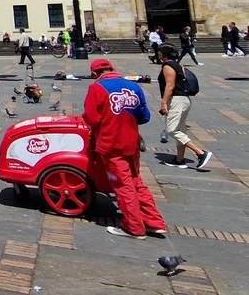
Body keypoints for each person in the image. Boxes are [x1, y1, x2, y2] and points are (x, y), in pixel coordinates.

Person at [82, 58, 166, 239]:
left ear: (94, 74)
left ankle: (133, 227)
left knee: (122, 185)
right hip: (132, 142)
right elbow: (144, 117)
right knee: (136, 181)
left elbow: (92, 118)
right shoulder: (134, 87)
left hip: (110, 143)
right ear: (113, 69)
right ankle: (153, 222)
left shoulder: (96, 88)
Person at [157, 44, 212, 170]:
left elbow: (170, 85)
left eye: (159, 52)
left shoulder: (168, 66)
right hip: (183, 100)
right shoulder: (178, 65)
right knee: (180, 130)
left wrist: (164, 102)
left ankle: (200, 153)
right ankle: (179, 159)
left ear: (163, 54)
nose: (158, 54)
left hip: (176, 100)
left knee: (172, 130)